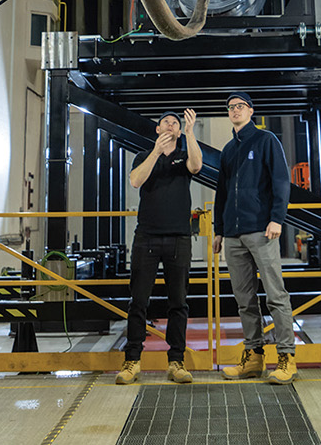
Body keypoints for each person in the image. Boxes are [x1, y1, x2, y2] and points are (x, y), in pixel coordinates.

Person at [212, 91, 297, 384]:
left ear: (250, 111)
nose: (235, 110)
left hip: (262, 229)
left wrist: (277, 218)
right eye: (231, 107)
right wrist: (219, 230)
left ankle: (287, 358)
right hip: (234, 236)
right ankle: (253, 357)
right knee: (245, 299)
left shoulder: (266, 141)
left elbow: (281, 181)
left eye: (240, 106)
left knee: (275, 294)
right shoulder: (227, 150)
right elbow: (222, 193)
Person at [116, 107, 202, 385]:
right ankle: (132, 362)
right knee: (138, 302)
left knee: (178, 303)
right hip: (147, 238)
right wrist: (155, 152)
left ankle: (176, 362)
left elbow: (197, 167)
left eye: (174, 123)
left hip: (179, 238)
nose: (170, 125)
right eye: (165, 122)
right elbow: (135, 180)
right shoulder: (143, 157)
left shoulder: (184, 155)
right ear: (157, 129)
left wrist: (189, 133)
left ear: (178, 130)